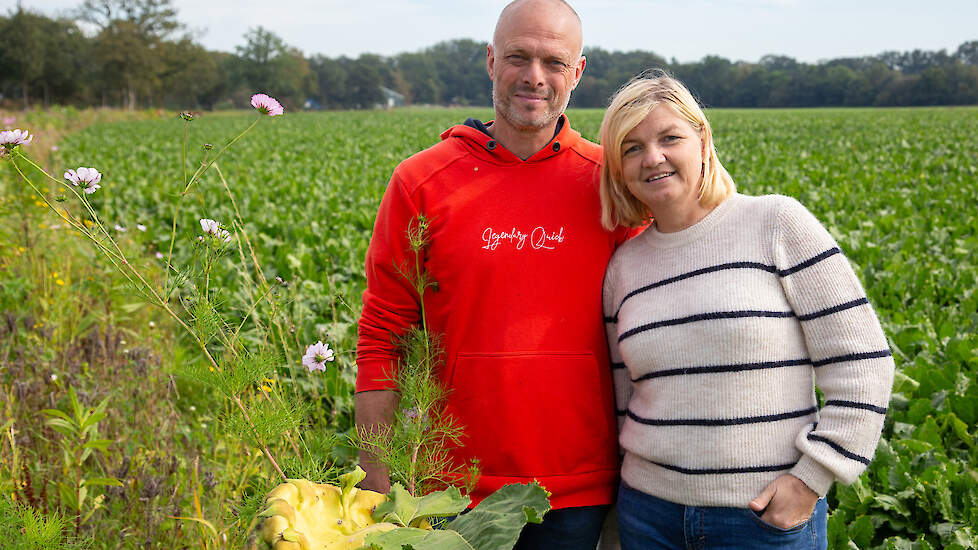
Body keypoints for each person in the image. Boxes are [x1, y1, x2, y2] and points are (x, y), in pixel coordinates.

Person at [355, 1, 631, 547]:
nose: (534, 76)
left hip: (580, 491)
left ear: (577, 72)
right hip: (450, 492)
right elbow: (383, 334)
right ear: (490, 62)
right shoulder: (421, 182)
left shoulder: (612, 184)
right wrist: (374, 478)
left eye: (553, 62)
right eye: (517, 57)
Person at [599, 72, 894, 550]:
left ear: (702, 140)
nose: (652, 157)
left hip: (759, 520)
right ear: (618, 167)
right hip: (648, 516)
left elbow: (864, 363)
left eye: (669, 138)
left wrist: (811, 479)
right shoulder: (624, 268)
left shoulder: (775, 223)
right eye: (631, 148)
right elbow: (622, 399)